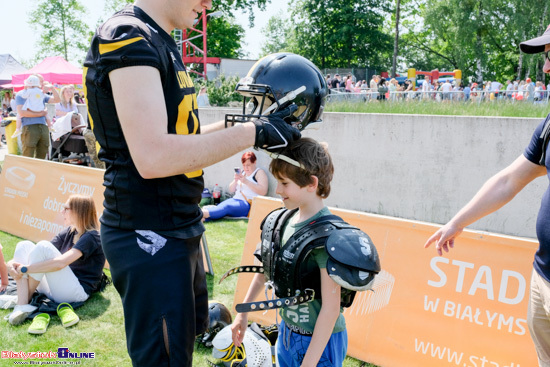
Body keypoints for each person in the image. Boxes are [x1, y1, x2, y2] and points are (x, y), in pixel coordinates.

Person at [83, 2, 305, 365]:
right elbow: (153, 157)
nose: (209, 3)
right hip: (150, 234)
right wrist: (254, 130)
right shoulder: (128, 36)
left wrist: (254, 128)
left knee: (185, 344)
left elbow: (184, 139)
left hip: (176, 225)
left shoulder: (159, 38)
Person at [424, 25, 550, 367]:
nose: (545, 67)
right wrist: (457, 222)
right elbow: (510, 180)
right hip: (543, 278)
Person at [231, 138, 349, 366]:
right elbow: (267, 270)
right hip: (287, 333)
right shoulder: (283, 222)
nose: (277, 190)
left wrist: (309, 362)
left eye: (284, 183)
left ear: (311, 184)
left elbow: (331, 309)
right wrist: (243, 312)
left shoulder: (327, 236)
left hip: (320, 342)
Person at [5, 194, 105, 326]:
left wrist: (24, 269)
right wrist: (11, 265)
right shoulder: (70, 231)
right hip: (57, 288)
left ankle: (22, 302)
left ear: (78, 211)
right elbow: (37, 254)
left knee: (43, 246)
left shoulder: (92, 236)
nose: (61, 211)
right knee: (24, 246)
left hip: (75, 292)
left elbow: (60, 263)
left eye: (65, 208)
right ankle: (22, 303)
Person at [202, 151, 268, 220]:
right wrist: (235, 180)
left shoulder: (259, 173)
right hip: (235, 199)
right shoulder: (243, 172)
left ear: (254, 162)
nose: (246, 168)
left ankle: (199, 213)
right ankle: (202, 219)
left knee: (227, 207)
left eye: (248, 165)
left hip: (248, 204)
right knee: (220, 207)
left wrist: (246, 182)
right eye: (244, 165)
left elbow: (263, 191)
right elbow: (231, 190)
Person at [15, 74, 60, 159]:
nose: (43, 84)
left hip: (43, 127)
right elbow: (22, 112)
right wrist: (41, 114)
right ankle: (27, 172)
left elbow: (57, 100)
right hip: (29, 127)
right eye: (41, 81)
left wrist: (52, 88)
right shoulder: (21, 94)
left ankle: (38, 172)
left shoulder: (41, 94)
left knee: (42, 154)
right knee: (28, 155)